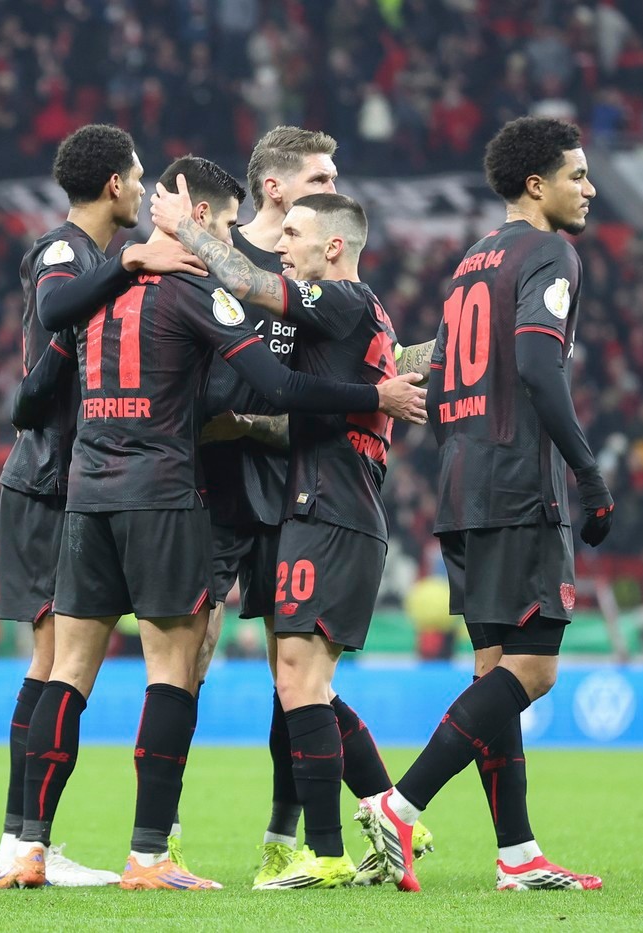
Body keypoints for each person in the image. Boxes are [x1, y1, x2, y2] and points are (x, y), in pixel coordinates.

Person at [0, 155, 425, 892]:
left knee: (67, 670)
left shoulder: (97, 293)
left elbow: (31, 395)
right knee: (174, 669)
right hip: (161, 495)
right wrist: (374, 393)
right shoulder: (195, 292)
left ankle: (26, 846)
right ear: (198, 222)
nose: (233, 240)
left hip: (86, 495)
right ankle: (151, 855)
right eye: (223, 227)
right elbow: (276, 384)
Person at [352, 116, 614, 893]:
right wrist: (589, 475)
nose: (590, 188)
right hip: (518, 483)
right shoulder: (551, 252)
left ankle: (517, 854)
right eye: (577, 174)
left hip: (463, 481)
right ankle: (401, 804)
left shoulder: (471, 263)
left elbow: (444, 377)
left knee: (494, 665)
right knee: (534, 672)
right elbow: (538, 365)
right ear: (537, 184)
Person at [189, 126, 435, 886]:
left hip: (327, 507)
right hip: (334, 505)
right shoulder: (366, 315)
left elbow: (253, 287)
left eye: (296, 235)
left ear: (333, 248)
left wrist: (191, 237)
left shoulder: (339, 299)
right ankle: (388, 812)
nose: (283, 245)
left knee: (298, 681)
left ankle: (322, 853)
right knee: (310, 684)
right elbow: (311, 401)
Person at [0, 122, 201, 889]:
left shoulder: (99, 259)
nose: (144, 189)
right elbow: (54, 313)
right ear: (114, 184)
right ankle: (17, 843)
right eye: (139, 176)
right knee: (54, 663)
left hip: (71, 478)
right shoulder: (63, 251)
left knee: (58, 663)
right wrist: (133, 262)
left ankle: (24, 843)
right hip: (50, 478)